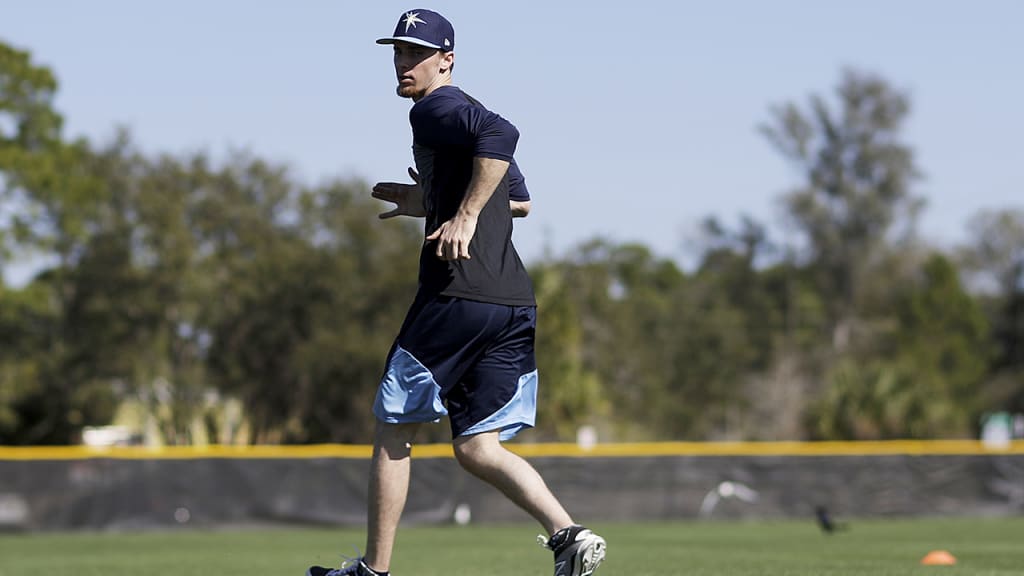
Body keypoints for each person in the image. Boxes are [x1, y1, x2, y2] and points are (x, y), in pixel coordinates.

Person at [306, 8, 606, 576]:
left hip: (457, 294)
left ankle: (374, 570)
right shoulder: (451, 120)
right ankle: (568, 534)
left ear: (446, 60)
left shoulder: (437, 108)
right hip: (511, 301)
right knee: (476, 448)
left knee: (395, 424)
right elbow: (519, 200)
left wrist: (463, 214)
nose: (403, 62)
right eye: (397, 51)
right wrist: (432, 201)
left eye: (415, 52)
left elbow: (503, 133)